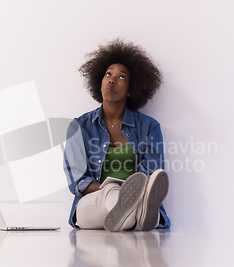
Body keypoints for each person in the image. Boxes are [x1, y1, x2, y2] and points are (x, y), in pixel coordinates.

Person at [63, 38, 170, 231]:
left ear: (131, 90)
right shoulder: (78, 127)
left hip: (134, 198)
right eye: (108, 74)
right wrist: (115, 189)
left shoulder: (149, 127)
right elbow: (76, 180)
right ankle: (141, 215)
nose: (112, 79)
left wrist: (134, 191)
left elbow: (152, 173)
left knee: (124, 213)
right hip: (92, 203)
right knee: (112, 193)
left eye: (122, 77)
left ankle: (131, 216)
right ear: (100, 81)